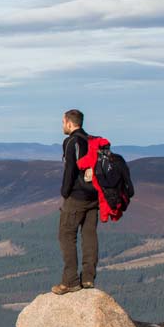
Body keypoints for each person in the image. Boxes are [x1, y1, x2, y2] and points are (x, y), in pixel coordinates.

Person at [54, 109, 98, 294]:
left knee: (66, 235)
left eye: (63, 122)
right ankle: (88, 279)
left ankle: (70, 281)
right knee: (89, 236)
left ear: (69, 122)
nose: (62, 125)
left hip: (77, 197)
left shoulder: (71, 141)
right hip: (95, 196)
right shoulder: (92, 141)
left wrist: (65, 192)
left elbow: (70, 170)